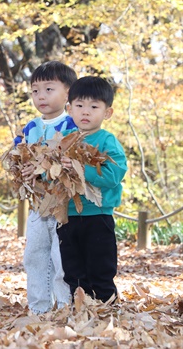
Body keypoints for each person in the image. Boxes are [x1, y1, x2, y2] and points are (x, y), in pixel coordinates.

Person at [58, 76, 127, 302]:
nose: (85, 112)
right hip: (68, 216)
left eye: (94, 106)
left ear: (107, 113)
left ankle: (108, 309)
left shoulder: (107, 141)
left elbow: (114, 175)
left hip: (98, 216)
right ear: (69, 109)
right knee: (73, 271)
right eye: (79, 106)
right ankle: (81, 311)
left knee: (101, 268)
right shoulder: (64, 141)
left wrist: (81, 171)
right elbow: (53, 176)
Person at [17, 61, 77, 314]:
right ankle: (38, 307)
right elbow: (17, 155)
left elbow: (73, 160)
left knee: (60, 257)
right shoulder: (30, 127)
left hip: (64, 204)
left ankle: (64, 305)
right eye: (35, 91)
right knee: (34, 254)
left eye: (49, 89)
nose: (41, 96)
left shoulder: (72, 125)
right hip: (37, 203)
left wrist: (45, 165)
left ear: (68, 93)